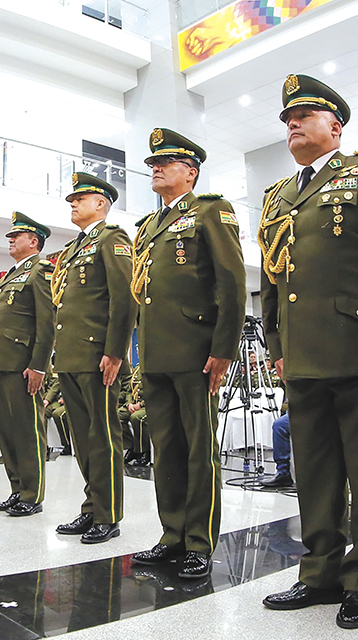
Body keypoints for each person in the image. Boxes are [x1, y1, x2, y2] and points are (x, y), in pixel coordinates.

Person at [257, 74, 358, 630]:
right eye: (287, 117)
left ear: (336, 124)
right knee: (316, 471)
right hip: (302, 356)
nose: (293, 123)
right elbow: (273, 277)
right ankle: (318, 573)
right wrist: (276, 344)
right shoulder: (278, 195)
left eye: (304, 113)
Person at [128, 128, 245, 579]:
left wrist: (223, 349)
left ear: (190, 171)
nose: (155, 168)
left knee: (199, 449)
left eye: (166, 162)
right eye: (153, 164)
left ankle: (199, 541)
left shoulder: (211, 211)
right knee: (167, 449)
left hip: (198, 353)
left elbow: (231, 284)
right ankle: (171, 535)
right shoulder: (149, 226)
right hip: (156, 355)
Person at [52, 172, 135, 544]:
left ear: (100, 203)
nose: (72, 204)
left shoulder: (112, 238)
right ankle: (91, 507)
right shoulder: (72, 249)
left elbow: (124, 297)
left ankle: (108, 513)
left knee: (102, 437)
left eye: (79, 199)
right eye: (71, 201)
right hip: (70, 356)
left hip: (97, 354)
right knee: (84, 440)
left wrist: (115, 350)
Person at [0, 213, 56, 517]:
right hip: (0, 363)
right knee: (7, 431)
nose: (11, 240)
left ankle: (32, 494)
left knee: (26, 430)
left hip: (22, 365)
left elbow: (47, 323)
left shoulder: (40, 270)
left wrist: (39, 366)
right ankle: (16, 489)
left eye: (17, 236)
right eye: (10, 237)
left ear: (34, 241)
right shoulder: (11, 275)